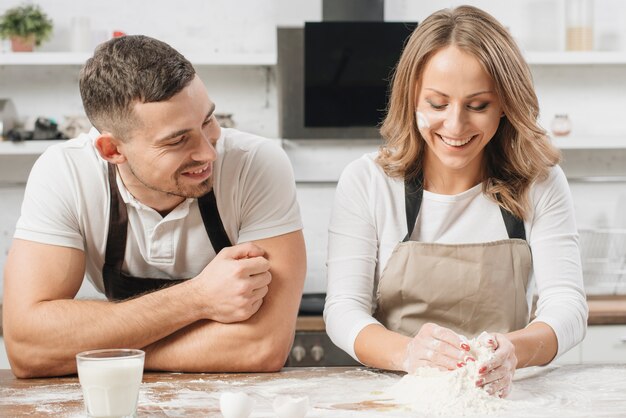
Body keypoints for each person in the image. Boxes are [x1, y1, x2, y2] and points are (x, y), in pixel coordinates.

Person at [3, 35, 306, 378]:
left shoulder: (256, 165)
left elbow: (261, 348)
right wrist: (198, 297)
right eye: (177, 140)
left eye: (208, 120)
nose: (208, 152)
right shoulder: (65, 172)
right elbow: (28, 349)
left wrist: (100, 349)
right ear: (112, 150)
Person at [324, 5, 587, 398]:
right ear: (412, 97)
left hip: (502, 398)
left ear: (505, 105)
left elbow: (567, 306)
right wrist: (408, 352)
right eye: (437, 103)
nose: (455, 125)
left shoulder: (539, 182)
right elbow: (343, 310)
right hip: (398, 398)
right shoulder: (368, 182)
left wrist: (515, 350)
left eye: (478, 105)